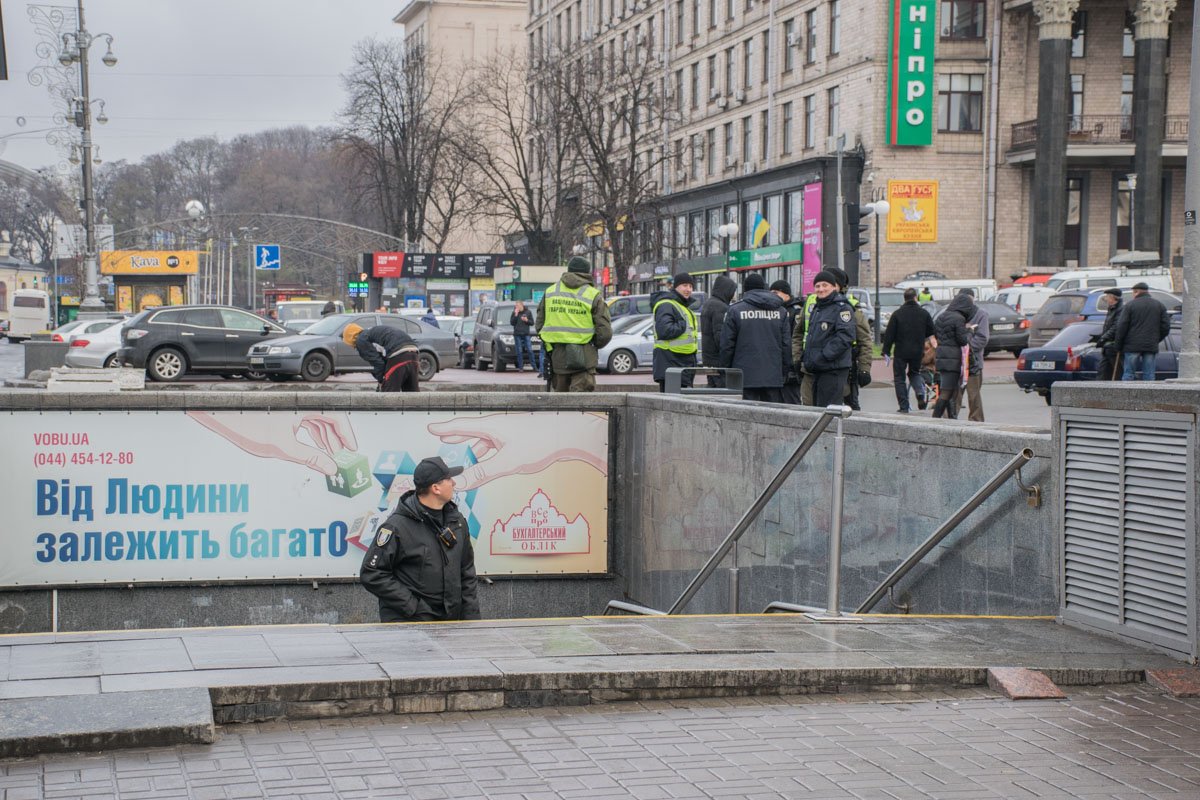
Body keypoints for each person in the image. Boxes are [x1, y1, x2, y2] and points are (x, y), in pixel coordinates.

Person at [359, 456, 480, 623]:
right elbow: (372, 573)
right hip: (408, 625)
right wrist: (414, 607)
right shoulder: (396, 527)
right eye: (449, 479)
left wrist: (472, 620)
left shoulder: (457, 522)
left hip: (449, 625)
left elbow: (467, 572)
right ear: (436, 488)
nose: (453, 483)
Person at [536, 256, 613, 392]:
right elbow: (605, 332)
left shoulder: (550, 292)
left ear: (569, 270)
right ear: (587, 272)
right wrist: (593, 345)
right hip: (584, 358)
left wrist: (552, 345)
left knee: (560, 402)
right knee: (581, 402)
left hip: (557, 358)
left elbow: (540, 326)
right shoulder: (593, 295)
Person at [719, 273, 790, 402]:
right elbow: (786, 345)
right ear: (764, 288)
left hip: (744, 376)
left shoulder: (735, 310)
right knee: (772, 413)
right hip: (772, 376)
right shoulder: (781, 311)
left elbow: (727, 345)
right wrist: (784, 372)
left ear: (745, 290)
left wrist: (725, 371)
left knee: (746, 412)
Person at [798, 271, 856, 407]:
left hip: (833, 369)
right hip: (818, 368)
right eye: (817, 286)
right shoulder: (817, 308)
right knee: (819, 409)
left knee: (829, 411)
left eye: (825, 285)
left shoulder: (843, 308)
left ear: (834, 287)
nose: (821, 289)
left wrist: (823, 356)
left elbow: (845, 337)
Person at [881, 288, 935, 413]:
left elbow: (889, 335)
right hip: (917, 351)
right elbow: (931, 331)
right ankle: (920, 392)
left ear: (904, 299)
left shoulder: (897, 314)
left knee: (899, 378)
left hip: (901, 351)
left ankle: (904, 406)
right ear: (915, 298)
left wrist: (886, 351)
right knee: (914, 373)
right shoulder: (923, 313)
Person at [830, 268, 873, 410]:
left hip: (847, 367)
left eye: (831, 284)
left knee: (851, 407)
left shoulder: (852, 308)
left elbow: (865, 341)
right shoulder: (813, 305)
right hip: (818, 366)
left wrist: (864, 369)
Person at [931, 292, 976, 419]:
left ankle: (952, 418)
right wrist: (970, 331)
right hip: (953, 359)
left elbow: (938, 335)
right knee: (947, 392)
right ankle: (935, 419)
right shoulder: (959, 318)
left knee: (949, 390)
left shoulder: (941, 316)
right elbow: (962, 341)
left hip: (941, 357)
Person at [652, 273, 699, 392]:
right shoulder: (667, 304)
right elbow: (664, 330)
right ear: (676, 287)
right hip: (671, 362)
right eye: (685, 285)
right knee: (671, 401)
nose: (688, 289)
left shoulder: (681, 305)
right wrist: (682, 324)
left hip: (681, 362)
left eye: (690, 286)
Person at [1114, 281, 1171, 381]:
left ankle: (1126, 391)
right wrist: (1156, 339)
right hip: (1150, 344)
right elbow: (1166, 326)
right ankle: (1148, 391)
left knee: (1129, 373)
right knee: (1149, 374)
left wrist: (1118, 345)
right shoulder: (1159, 305)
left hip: (1131, 345)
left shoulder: (1130, 305)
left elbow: (1122, 326)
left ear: (1136, 292)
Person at [343, 323, 421, 392]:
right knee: (412, 395)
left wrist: (381, 381)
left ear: (350, 338)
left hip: (398, 354)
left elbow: (378, 363)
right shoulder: (371, 333)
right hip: (414, 352)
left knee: (389, 394)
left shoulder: (361, 340)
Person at [955, 288, 990, 422]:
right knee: (954, 394)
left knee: (974, 395)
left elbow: (982, 338)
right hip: (956, 361)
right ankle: (949, 420)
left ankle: (976, 421)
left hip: (973, 362)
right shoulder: (954, 313)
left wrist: (966, 349)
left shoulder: (981, 314)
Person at [700, 274, 737, 388]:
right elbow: (720, 336)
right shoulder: (720, 307)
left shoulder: (708, 303)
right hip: (718, 360)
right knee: (722, 391)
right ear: (726, 290)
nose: (733, 295)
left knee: (712, 390)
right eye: (732, 291)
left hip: (708, 359)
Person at [771, 280, 804, 405]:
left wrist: (793, 363)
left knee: (791, 402)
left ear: (786, 294)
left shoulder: (795, 311)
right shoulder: (775, 310)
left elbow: (795, 338)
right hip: (777, 365)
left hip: (791, 366)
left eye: (776, 292)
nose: (772, 295)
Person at [1095, 288, 1124, 381]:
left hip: (1113, 346)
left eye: (1107, 297)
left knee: (1117, 373)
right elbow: (1108, 326)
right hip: (1107, 347)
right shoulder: (1112, 309)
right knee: (1102, 372)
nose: (1106, 299)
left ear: (1112, 298)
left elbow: (1116, 327)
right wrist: (1100, 337)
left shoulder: (1120, 310)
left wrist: (1103, 338)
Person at [509, 300, 540, 373]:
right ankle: (520, 367)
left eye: (518, 306)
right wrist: (516, 315)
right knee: (519, 351)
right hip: (517, 334)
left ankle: (534, 366)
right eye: (516, 306)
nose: (517, 307)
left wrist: (526, 320)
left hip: (526, 334)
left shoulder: (528, 312)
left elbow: (532, 323)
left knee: (530, 350)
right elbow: (512, 323)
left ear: (522, 305)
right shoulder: (514, 312)